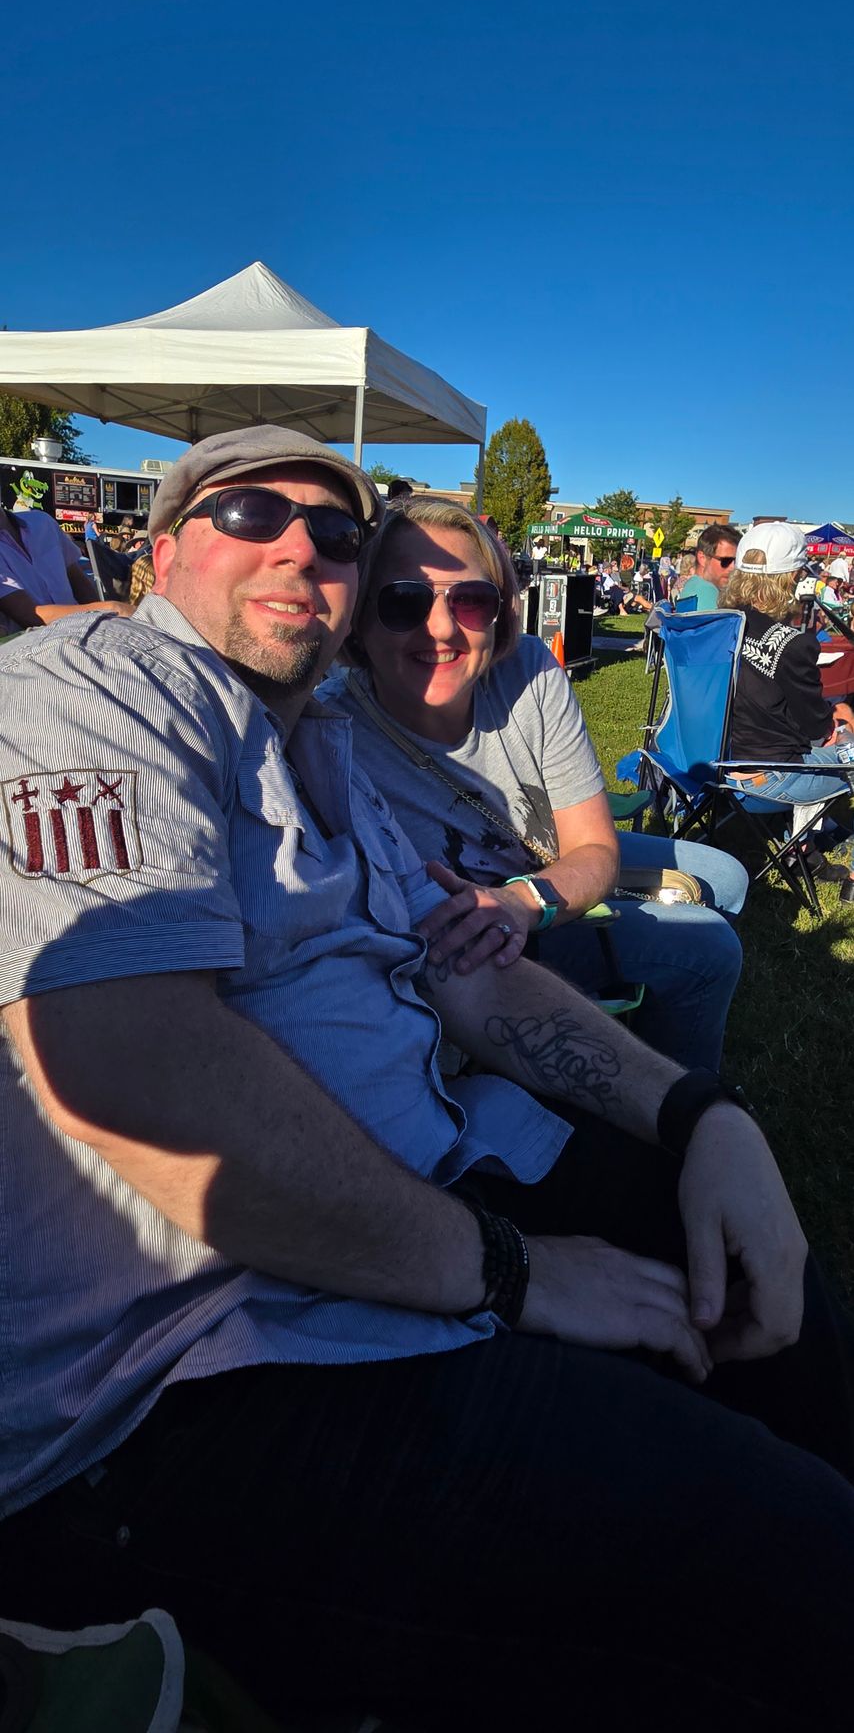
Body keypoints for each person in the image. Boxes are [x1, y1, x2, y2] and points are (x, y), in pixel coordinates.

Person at [2, 428, 854, 1732]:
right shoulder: (84, 690)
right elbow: (134, 1074)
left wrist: (701, 1115)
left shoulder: (325, 753)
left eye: (337, 532)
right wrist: (510, 1273)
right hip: (192, 1388)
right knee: (794, 1568)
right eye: (248, 514)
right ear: (158, 555)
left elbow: (472, 979)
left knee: (793, 1337)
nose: (301, 544)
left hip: (432, 1203)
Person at [325, 496, 745, 1072]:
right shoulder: (328, 732)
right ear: (358, 621)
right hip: (473, 942)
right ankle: (682, 1114)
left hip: (536, 873)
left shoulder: (527, 669)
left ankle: (654, 1040)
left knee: (727, 876)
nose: (443, 629)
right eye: (404, 601)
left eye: (471, 600)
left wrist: (526, 899)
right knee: (709, 949)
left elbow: (593, 847)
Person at [722, 522, 854, 894]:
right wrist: (838, 720)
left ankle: (807, 847)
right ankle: (845, 875)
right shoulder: (793, 644)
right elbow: (816, 730)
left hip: (713, 767)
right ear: (793, 578)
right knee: (846, 737)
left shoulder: (718, 625)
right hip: (768, 778)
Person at [0, 498, 123, 634]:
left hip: (85, 634)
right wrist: (109, 609)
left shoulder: (42, 522)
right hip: (36, 648)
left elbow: (79, 583)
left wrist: (106, 626)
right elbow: (30, 615)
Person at [678, 523, 741, 610]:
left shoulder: (692, 586)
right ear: (702, 558)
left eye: (736, 561)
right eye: (725, 561)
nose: (732, 567)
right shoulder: (707, 592)